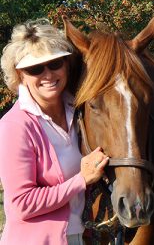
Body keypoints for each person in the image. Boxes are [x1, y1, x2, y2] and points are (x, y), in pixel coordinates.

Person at [0, 19, 109, 245]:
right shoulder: (15, 125)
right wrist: (81, 180)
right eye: (35, 68)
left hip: (79, 236)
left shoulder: (78, 111)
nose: (48, 74)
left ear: (66, 65)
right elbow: (22, 203)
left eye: (55, 63)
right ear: (21, 75)